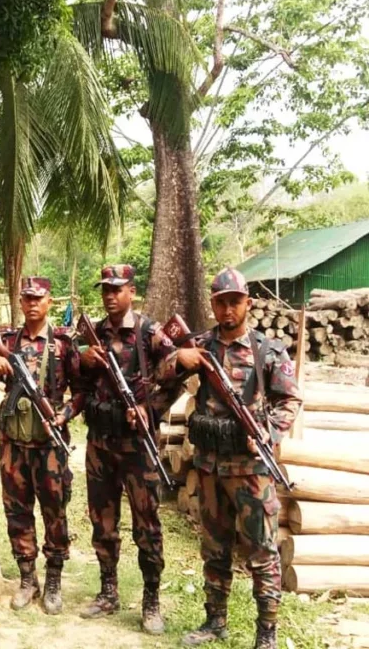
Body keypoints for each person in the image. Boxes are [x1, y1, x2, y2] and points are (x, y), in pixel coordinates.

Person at [176, 269, 301, 649]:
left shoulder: (267, 350)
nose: (228, 309)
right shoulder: (200, 346)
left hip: (250, 471)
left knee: (262, 553)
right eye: (220, 301)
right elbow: (163, 379)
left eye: (235, 301)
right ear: (212, 303)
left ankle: (267, 633)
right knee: (214, 548)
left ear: (247, 302)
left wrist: (269, 431)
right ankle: (215, 621)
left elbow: (290, 400)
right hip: (210, 468)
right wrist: (178, 359)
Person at [73, 264, 179, 634]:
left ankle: (151, 600)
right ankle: (108, 591)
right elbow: (77, 380)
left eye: (117, 289)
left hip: (137, 447)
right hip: (100, 442)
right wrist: (82, 360)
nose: (110, 295)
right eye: (105, 289)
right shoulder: (94, 333)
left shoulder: (150, 332)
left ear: (132, 292)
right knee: (102, 521)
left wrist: (149, 410)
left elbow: (177, 375)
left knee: (146, 525)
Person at [0, 277, 78, 614]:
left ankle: (53, 579)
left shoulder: (64, 344)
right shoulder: (7, 339)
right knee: (17, 510)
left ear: (49, 302)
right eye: (27, 298)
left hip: (49, 444)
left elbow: (82, 390)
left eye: (39, 298)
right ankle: (28, 577)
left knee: (55, 510)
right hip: (13, 443)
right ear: (22, 302)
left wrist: (64, 414)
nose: (32, 304)